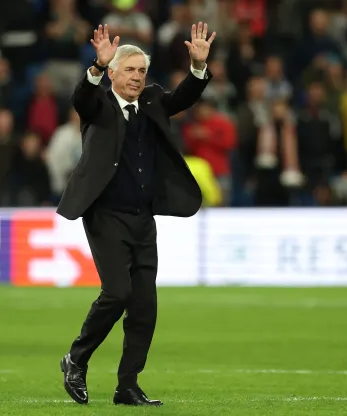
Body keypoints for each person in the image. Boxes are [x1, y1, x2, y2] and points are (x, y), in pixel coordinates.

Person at [57, 22, 215, 407]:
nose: (137, 77)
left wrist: (197, 67)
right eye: (129, 70)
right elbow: (82, 98)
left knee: (145, 305)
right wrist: (96, 66)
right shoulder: (98, 106)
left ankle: (127, 385)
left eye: (141, 71)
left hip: (144, 218)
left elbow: (184, 97)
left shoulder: (153, 101)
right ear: (113, 73)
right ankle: (76, 358)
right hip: (106, 215)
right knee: (118, 292)